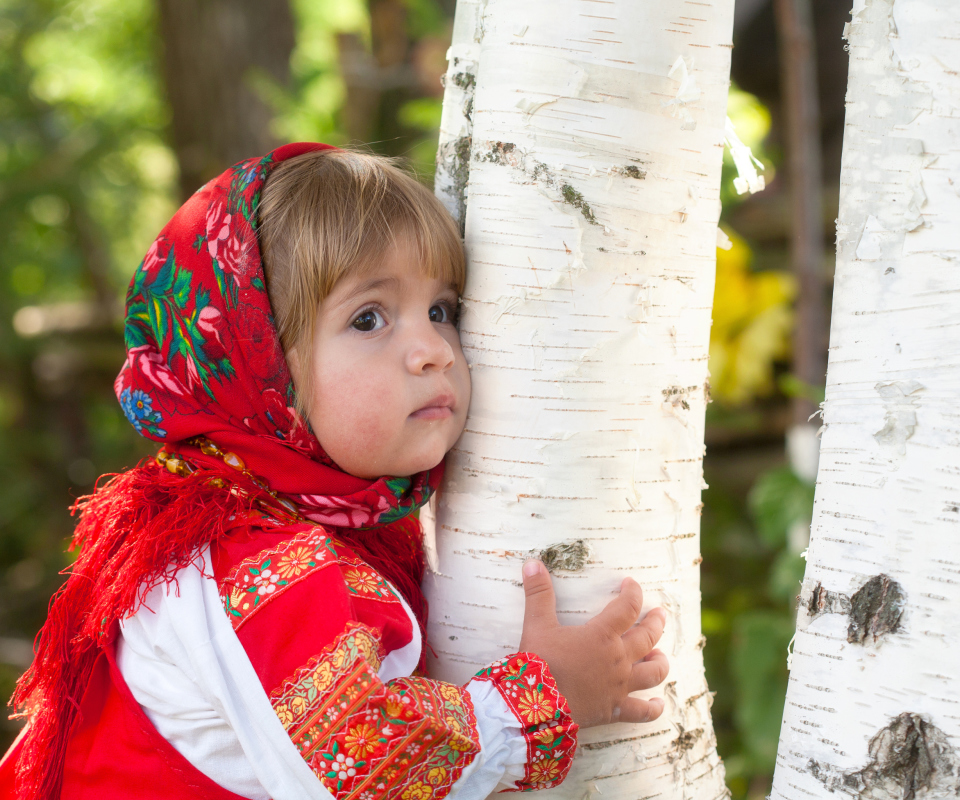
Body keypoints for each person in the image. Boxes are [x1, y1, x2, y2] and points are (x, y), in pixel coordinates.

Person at [0, 143, 669, 800]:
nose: (434, 350)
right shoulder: (240, 559)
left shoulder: (326, 521)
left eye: (442, 311)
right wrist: (546, 696)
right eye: (369, 318)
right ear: (257, 369)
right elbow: (361, 765)